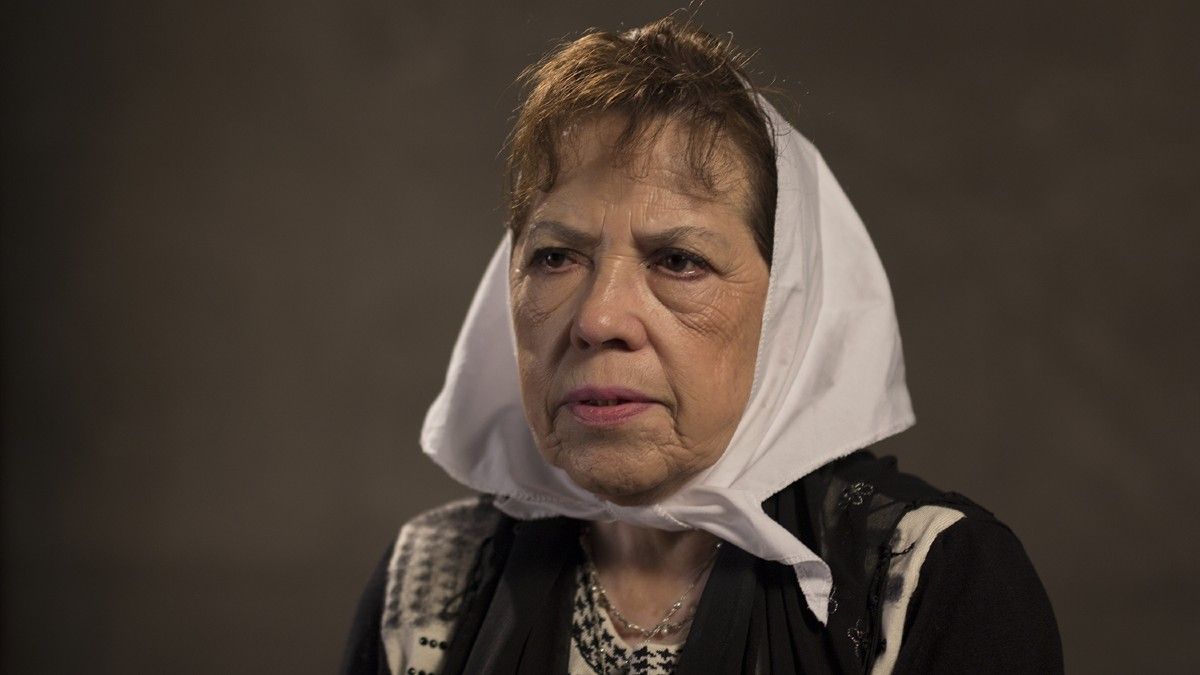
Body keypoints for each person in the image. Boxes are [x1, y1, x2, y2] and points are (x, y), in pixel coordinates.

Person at [341, 16, 1062, 675]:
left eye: (678, 261)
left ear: (787, 312)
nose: (599, 318)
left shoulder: (934, 582)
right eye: (556, 257)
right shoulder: (426, 589)